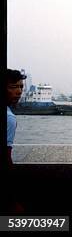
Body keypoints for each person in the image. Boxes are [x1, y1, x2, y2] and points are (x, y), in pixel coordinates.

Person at [6, 69, 26, 214]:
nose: (19, 92)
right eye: (13, 87)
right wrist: (11, 200)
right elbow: (5, 159)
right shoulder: (9, 118)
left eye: (21, 87)